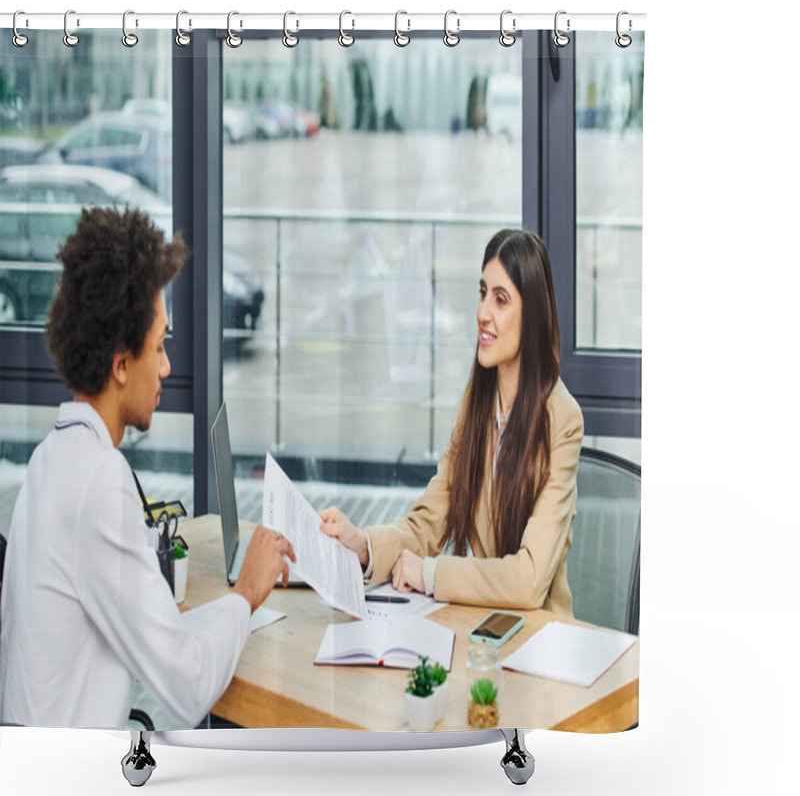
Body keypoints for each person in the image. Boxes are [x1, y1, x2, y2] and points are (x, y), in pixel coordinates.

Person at [0, 207, 295, 729]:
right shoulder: (97, 482)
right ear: (120, 364)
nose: (166, 367)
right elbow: (187, 688)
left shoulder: (51, 459)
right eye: (158, 346)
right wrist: (246, 594)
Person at [320, 229, 583, 615]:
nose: (483, 313)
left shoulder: (563, 420)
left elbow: (529, 580)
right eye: (482, 293)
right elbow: (430, 522)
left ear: (533, 316)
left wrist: (430, 573)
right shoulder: (476, 402)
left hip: (538, 640)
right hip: (479, 626)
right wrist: (363, 545)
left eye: (501, 299)